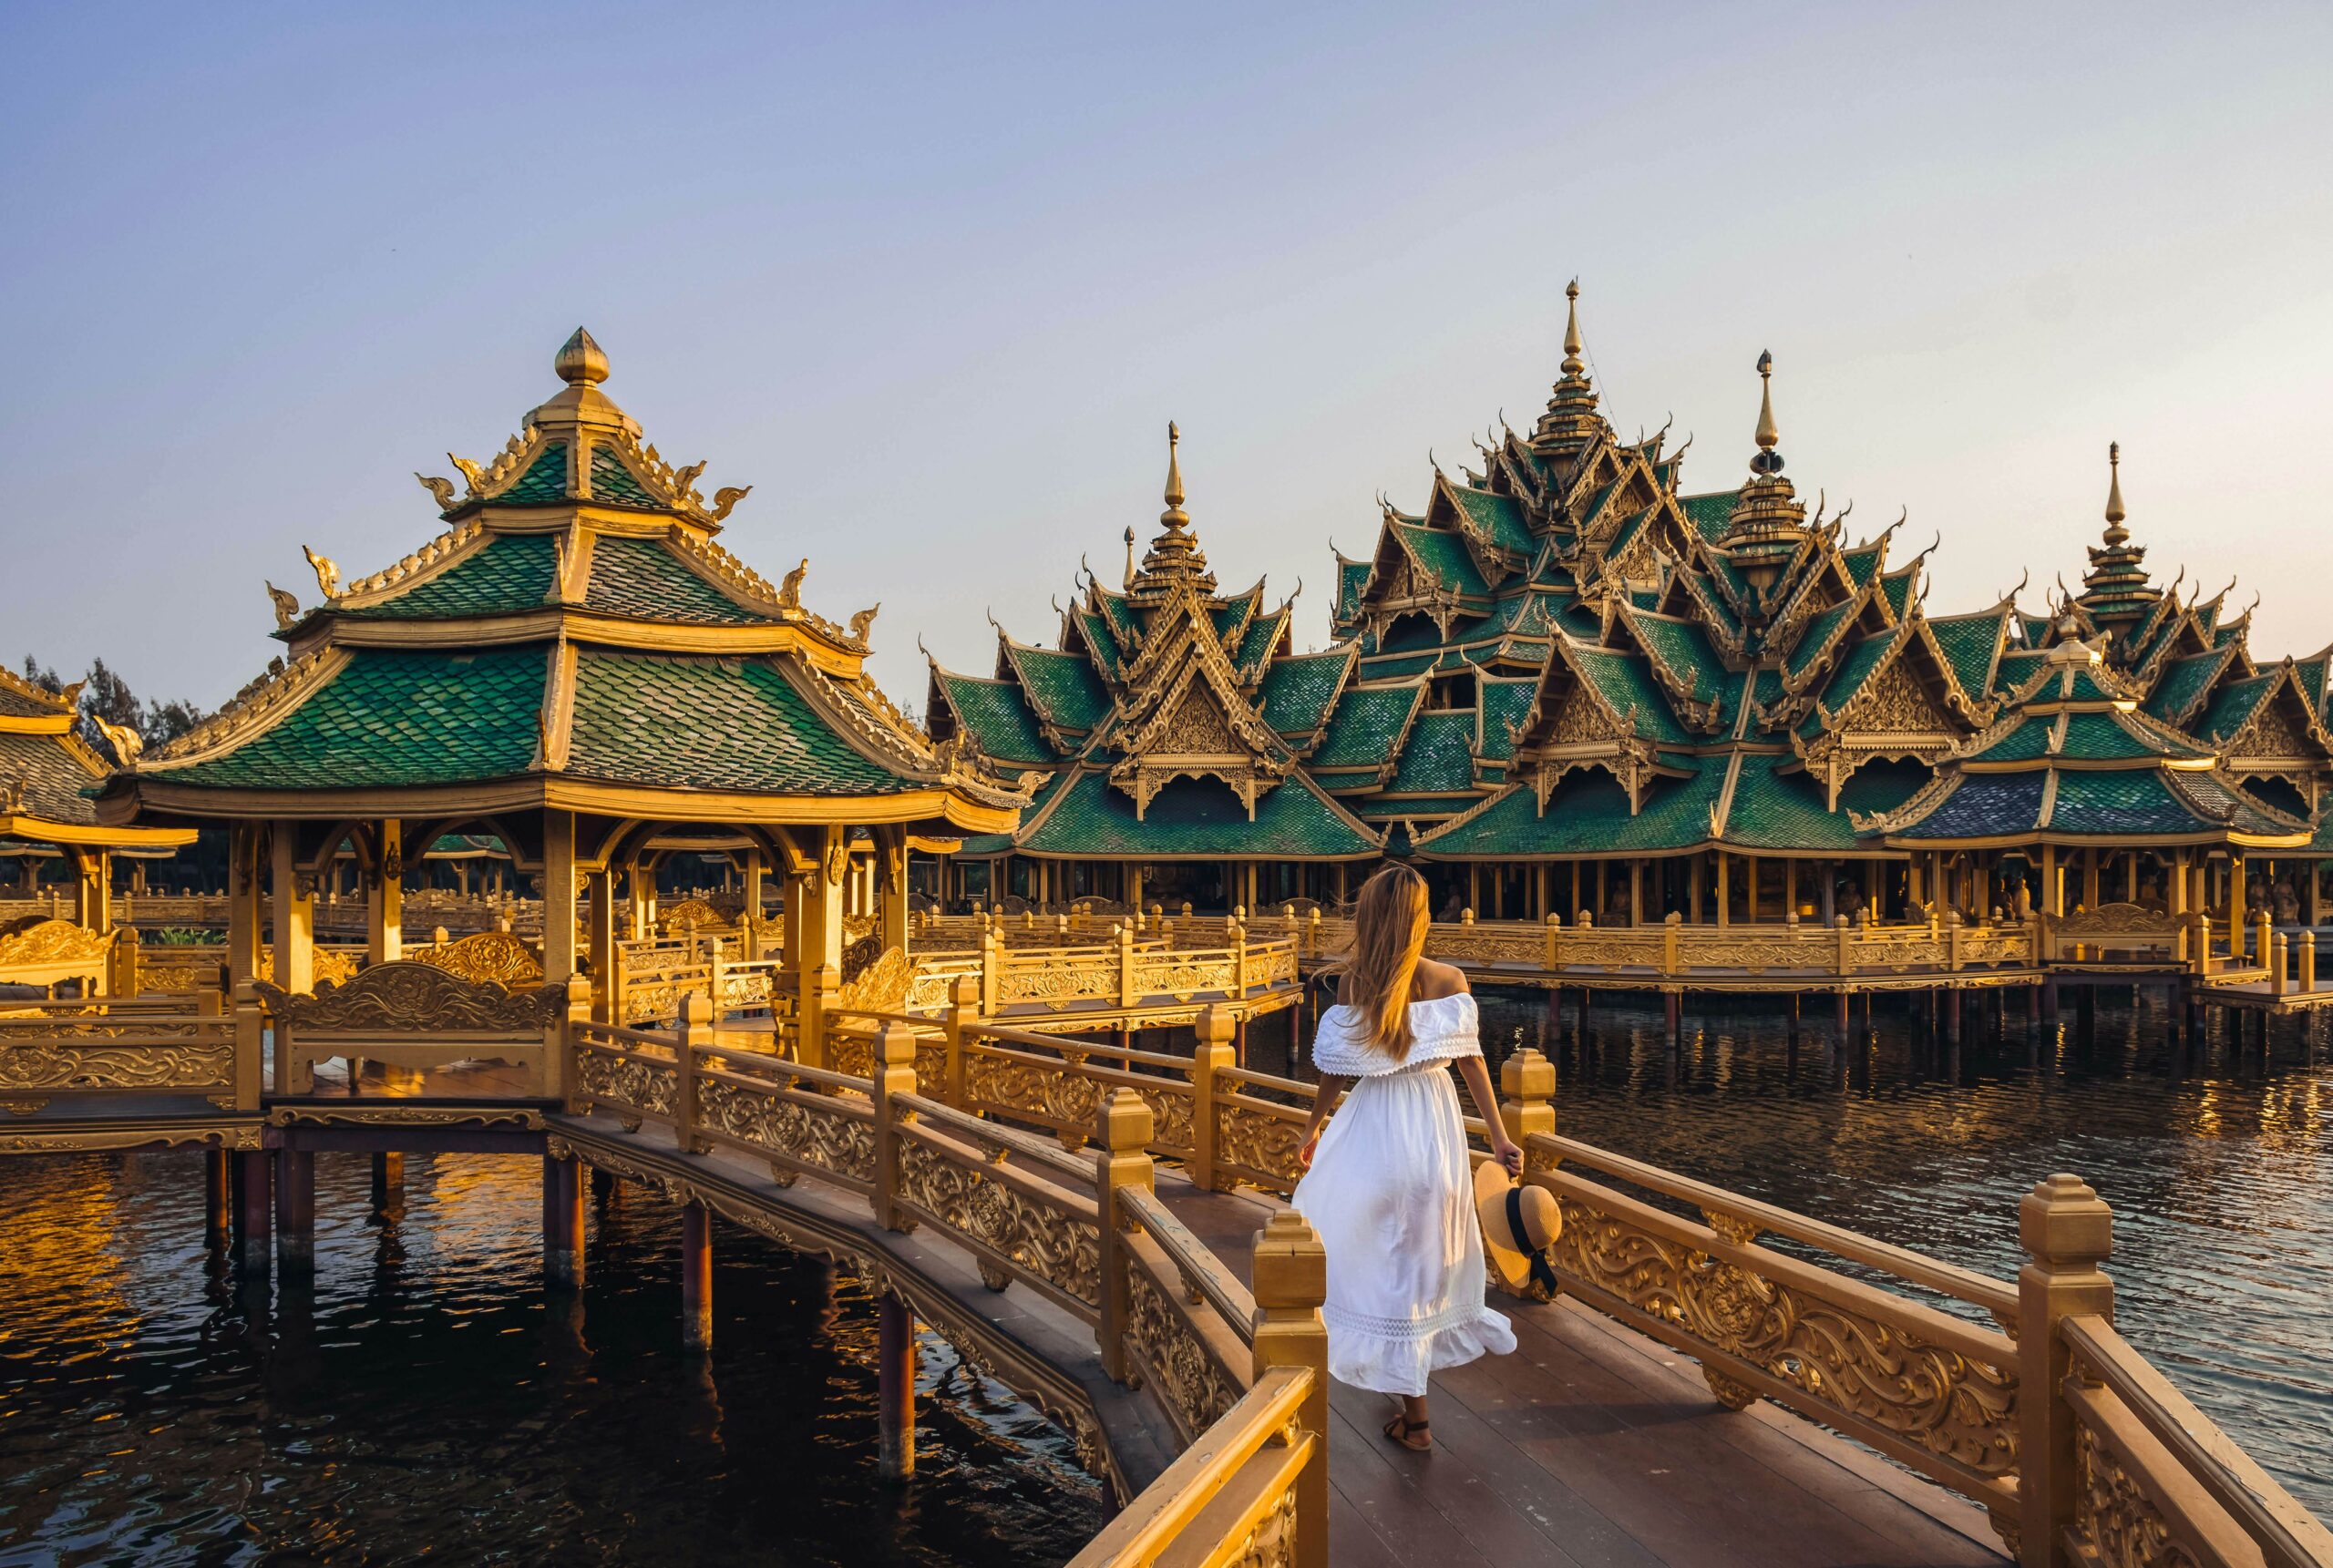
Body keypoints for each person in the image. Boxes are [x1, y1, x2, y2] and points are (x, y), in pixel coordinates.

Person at [1292, 863, 1521, 1452]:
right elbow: (1471, 1064)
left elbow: (1334, 1071)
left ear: (1369, 918)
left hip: (1374, 1130)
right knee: (1420, 1268)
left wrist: (1313, 1128)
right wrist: (1498, 1138)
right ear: (1421, 920)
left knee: (1375, 1257)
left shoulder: (1354, 984)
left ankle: (1412, 1411)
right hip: (1432, 1132)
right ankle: (1414, 1413)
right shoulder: (1449, 980)